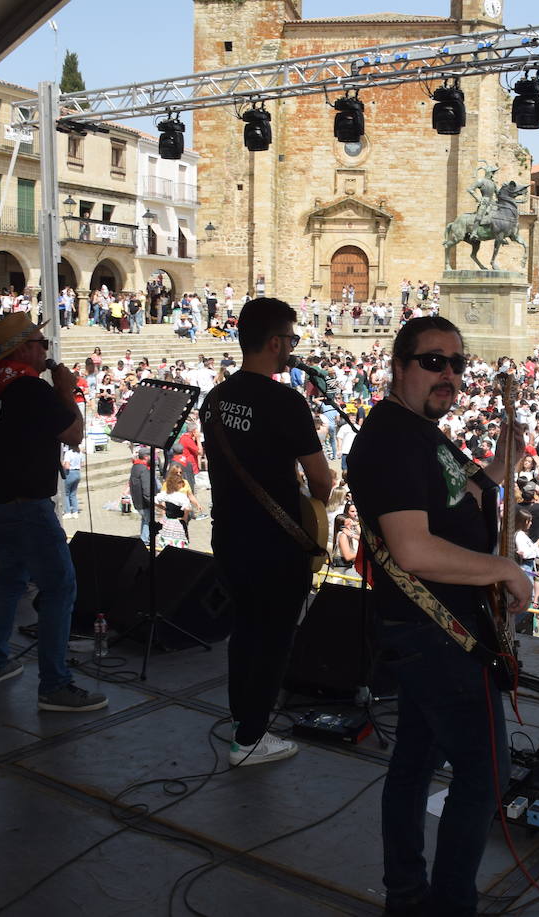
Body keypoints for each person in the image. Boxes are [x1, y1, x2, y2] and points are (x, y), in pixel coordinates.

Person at [347, 315, 530, 917]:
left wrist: (502, 464)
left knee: (414, 764)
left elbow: (460, 494)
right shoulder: (394, 438)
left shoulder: (420, 431)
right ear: (399, 366)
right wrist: (503, 570)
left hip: (434, 632)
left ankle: (406, 892)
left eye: (458, 364)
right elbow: (414, 548)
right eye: (434, 362)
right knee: (485, 773)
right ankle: (449, 905)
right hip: (435, 636)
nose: (449, 374)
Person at [203, 297, 333, 767]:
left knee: (246, 633)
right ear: (276, 342)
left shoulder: (215, 399)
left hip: (229, 536)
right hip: (276, 545)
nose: (291, 349)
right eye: (291, 340)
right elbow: (321, 479)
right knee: (274, 639)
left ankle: (244, 722)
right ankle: (251, 738)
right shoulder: (285, 401)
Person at [0, 313, 106, 712]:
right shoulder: (30, 389)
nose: (47, 349)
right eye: (42, 343)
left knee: (11, 581)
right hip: (26, 505)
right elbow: (74, 434)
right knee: (60, 587)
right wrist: (66, 390)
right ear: (24, 349)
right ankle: (54, 685)